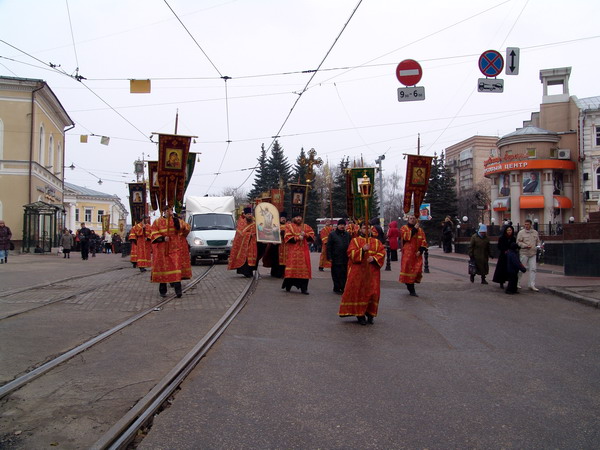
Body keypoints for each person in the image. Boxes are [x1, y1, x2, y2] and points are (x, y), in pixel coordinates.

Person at [338, 222, 386, 325]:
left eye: (368, 228)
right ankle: (360, 315)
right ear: (360, 229)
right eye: (364, 228)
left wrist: (374, 258)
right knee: (359, 292)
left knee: (373, 292)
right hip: (359, 271)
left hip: (372, 272)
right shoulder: (355, 241)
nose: (366, 230)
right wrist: (362, 250)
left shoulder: (377, 242)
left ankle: (370, 314)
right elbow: (350, 253)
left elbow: (382, 253)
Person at [150, 207, 184, 298]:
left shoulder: (175, 220)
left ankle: (178, 290)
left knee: (176, 268)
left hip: (174, 249)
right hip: (162, 250)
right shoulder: (157, 222)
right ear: (164, 212)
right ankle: (163, 290)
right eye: (167, 210)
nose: (169, 212)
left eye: (171, 210)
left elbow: (181, 229)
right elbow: (153, 233)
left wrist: (176, 222)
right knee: (163, 269)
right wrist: (162, 238)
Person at [282, 213, 315, 294]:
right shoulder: (289, 226)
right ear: (293, 218)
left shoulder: (306, 226)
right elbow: (287, 238)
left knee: (304, 269)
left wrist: (305, 235)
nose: (299, 218)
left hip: (303, 252)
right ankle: (288, 285)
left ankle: (304, 288)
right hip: (293, 251)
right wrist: (297, 238)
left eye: (300, 217)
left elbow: (312, 235)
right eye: (297, 217)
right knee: (291, 269)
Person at [399, 215, 427, 297]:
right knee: (408, 270)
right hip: (408, 255)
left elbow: (424, 241)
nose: (412, 220)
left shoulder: (420, 230)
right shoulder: (404, 228)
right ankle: (411, 289)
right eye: (410, 218)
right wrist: (414, 229)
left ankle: (410, 284)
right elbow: (405, 237)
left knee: (417, 270)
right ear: (408, 219)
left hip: (417, 255)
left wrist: (421, 250)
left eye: (414, 218)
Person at [228, 207, 258, 278]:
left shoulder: (254, 222)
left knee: (252, 258)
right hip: (243, 246)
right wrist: (250, 234)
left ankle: (250, 271)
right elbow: (241, 233)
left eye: (250, 214)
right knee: (245, 259)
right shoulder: (242, 222)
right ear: (245, 215)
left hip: (252, 244)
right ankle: (245, 272)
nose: (250, 215)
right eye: (248, 214)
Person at [327, 219, 351, 294]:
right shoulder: (332, 234)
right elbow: (329, 247)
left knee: (344, 273)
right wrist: (329, 257)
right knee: (336, 273)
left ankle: (343, 287)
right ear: (338, 225)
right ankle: (337, 287)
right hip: (336, 257)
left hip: (345, 258)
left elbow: (350, 245)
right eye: (340, 225)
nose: (342, 226)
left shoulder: (347, 235)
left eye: (343, 225)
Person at [517, 219, 540, 291]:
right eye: (525, 224)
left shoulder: (535, 232)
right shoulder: (521, 233)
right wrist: (525, 246)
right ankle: (517, 282)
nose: (526, 226)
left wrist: (539, 246)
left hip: (533, 253)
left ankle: (531, 284)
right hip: (524, 253)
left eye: (528, 224)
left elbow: (538, 241)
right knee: (521, 269)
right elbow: (518, 242)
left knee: (533, 269)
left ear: (530, 225)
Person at [262, 211, 287, 278]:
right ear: (280, 218)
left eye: (284, 218)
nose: (283, 219)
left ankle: (281, 273)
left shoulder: (288, 226)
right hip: (275, 245)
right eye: (282, 218)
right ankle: (274, 273)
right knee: (275, 259)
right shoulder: (275, 225)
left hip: (284, 246)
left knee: (283, 260)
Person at [492, 225, 516, 289]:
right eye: (508, 230)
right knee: (502, 269)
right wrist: (504, 250)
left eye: (510, 230)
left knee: (510, 270)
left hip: (511, 256)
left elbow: (514, 246)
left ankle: (510, 282)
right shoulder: (502, 238)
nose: (509, 231)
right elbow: (499, 246)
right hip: (503, 256)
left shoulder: (513, 238)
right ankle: (501, 282)